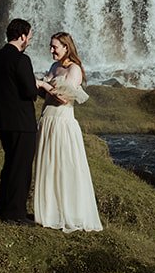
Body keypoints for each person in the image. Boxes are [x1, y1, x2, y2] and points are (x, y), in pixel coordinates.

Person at [31, 31, 103, 232]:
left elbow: (66, 98)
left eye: (55, 46)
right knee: (47, 165)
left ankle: (68, 212)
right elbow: (46, 95)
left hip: (62, 121)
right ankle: (48, 212)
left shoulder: (74, 69)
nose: (51, 50)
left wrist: (44, 84)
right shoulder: (54, 66)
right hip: (48, 118)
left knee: (64, 166)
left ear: (66, 47)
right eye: (50, 46)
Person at [0, 17, 38, 225]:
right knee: (21, 167)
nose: (30, 41)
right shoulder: (21, 60)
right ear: (22, 36)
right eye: (30, 37)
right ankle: (15, 213)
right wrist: (38, 84)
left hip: (2, 119)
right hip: (22, 121)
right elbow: (30, 91)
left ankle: (3, 207)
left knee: (10, 165)